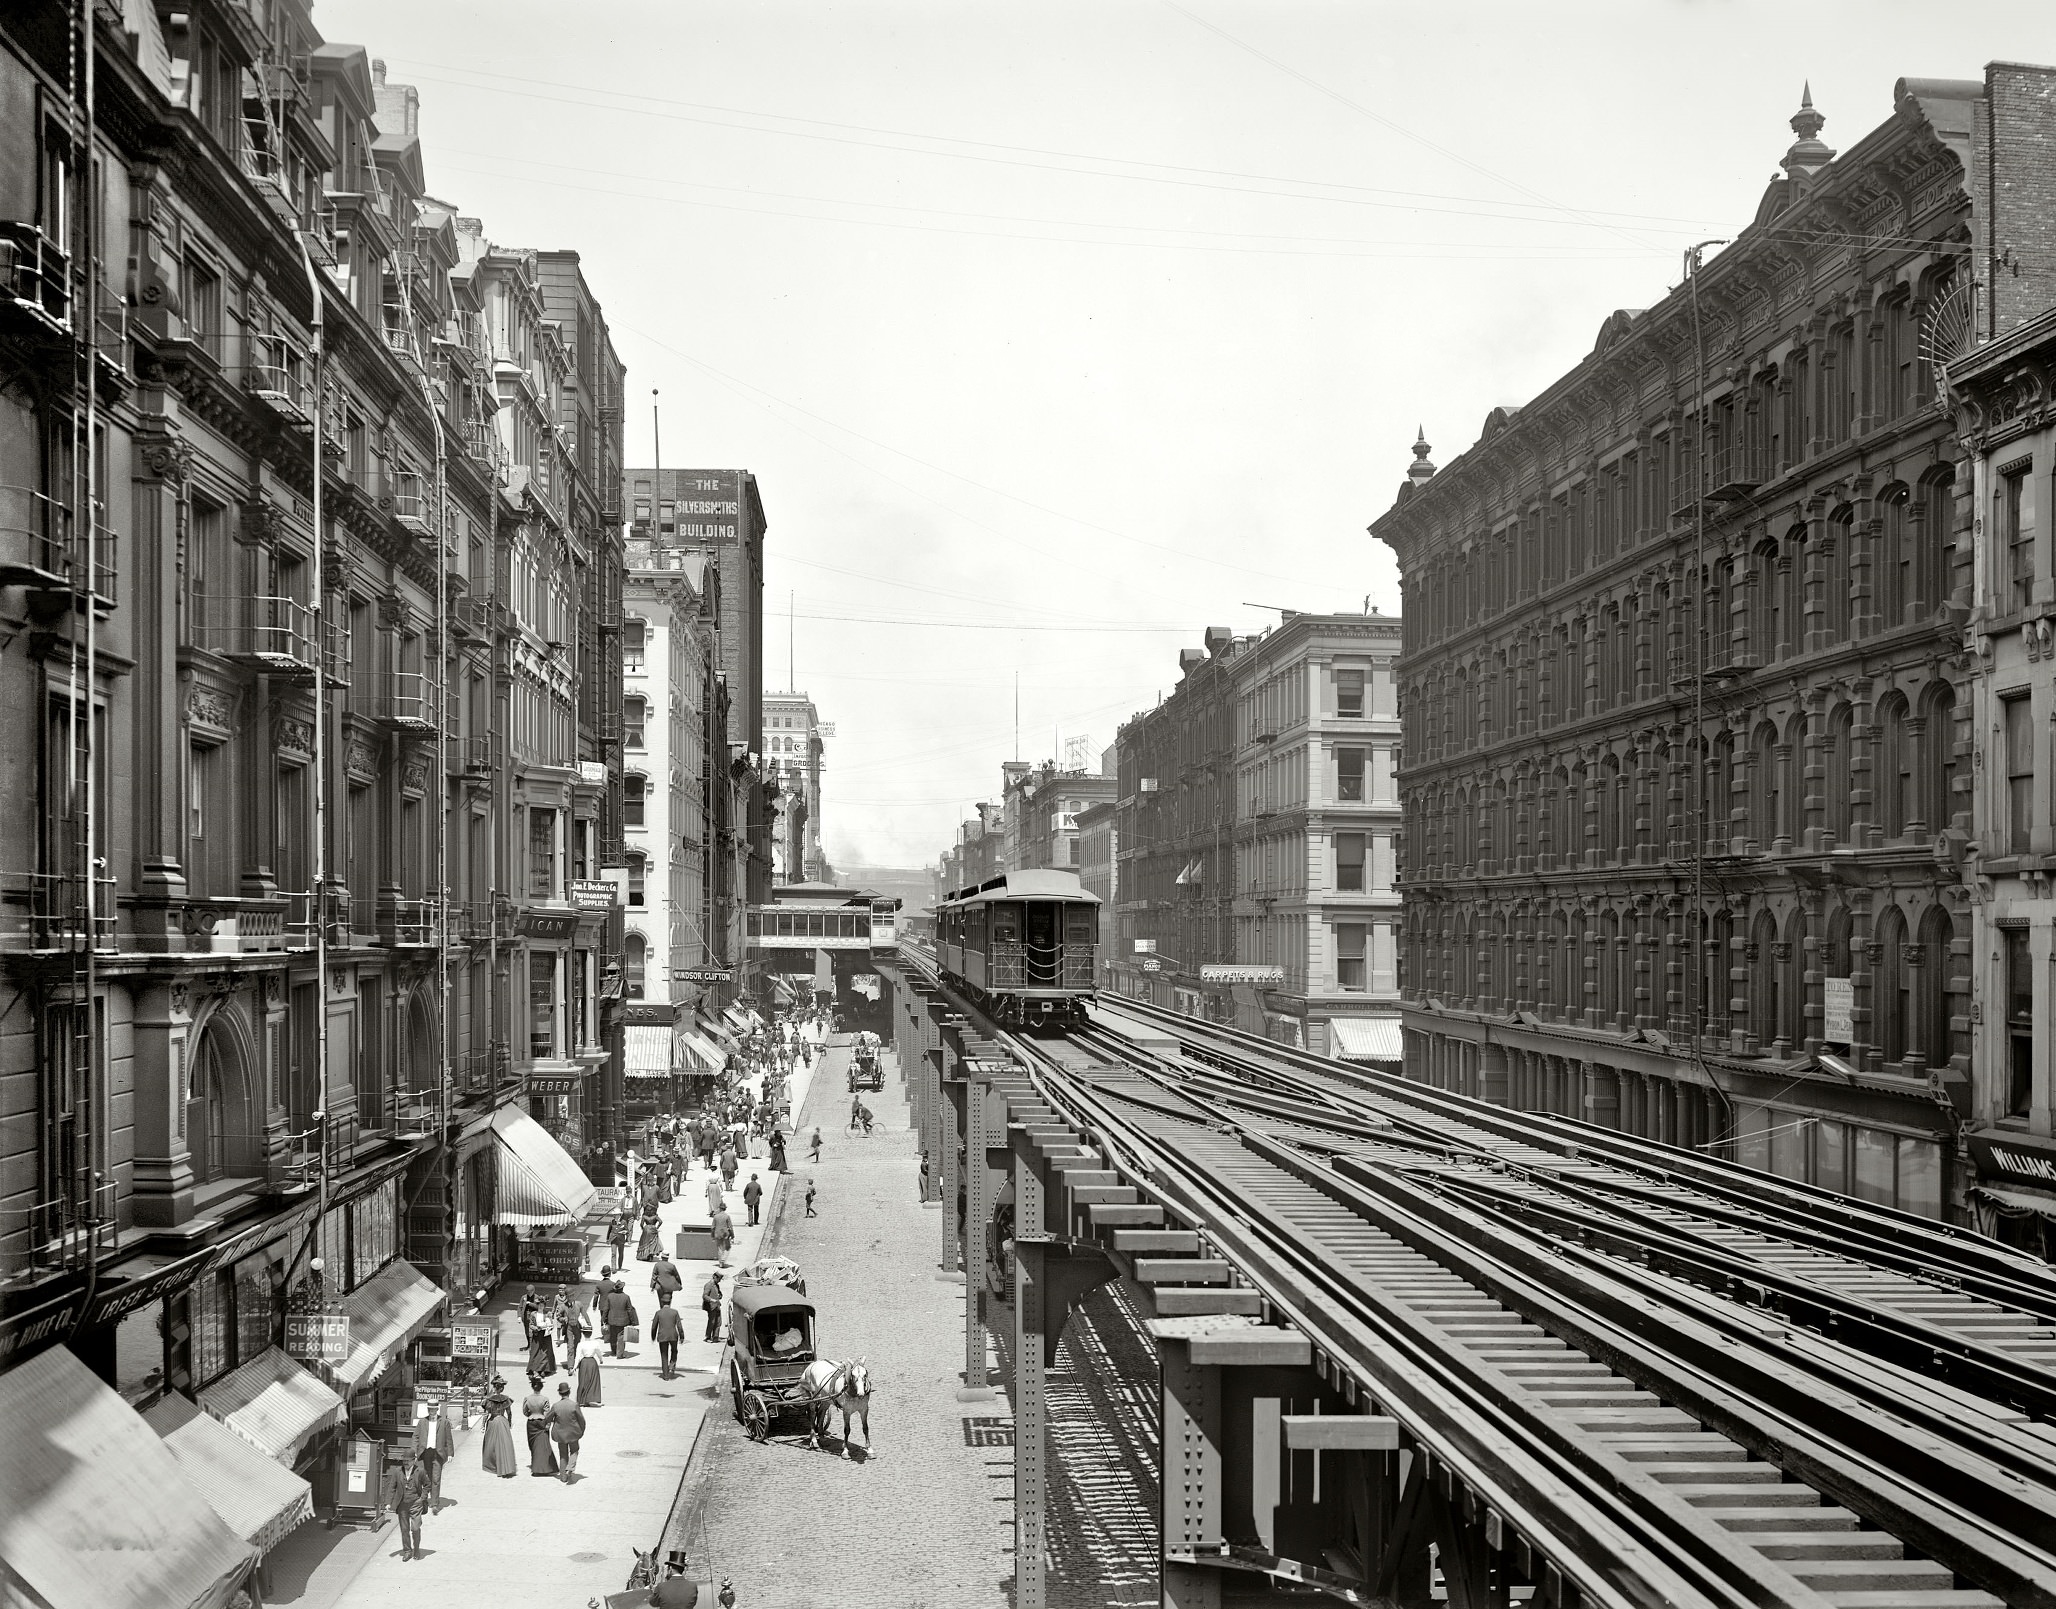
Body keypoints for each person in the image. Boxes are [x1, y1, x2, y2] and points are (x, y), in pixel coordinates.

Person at [393, 1449, 431, 1560]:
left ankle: (417, 1549)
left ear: (414, 1461)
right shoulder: (397, 1471)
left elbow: (428, 1485)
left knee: (415, 1528)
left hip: (416, 1504)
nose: (405, 1463)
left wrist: (422, 1498)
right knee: (404, 1529)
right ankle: (407, 1551)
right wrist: (387, 1503)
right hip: (402, 1505)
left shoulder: (420, 1471)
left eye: (408, 1461)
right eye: (404, 1461)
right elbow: (392, 1487)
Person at [546, 1379, 586, 1482]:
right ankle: (570, 1468)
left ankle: (563, 1477)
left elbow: (548, 1418)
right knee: (575, 1450)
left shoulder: (556, 1406)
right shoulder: (574, 1405)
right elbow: (581, 1419)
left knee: (563, 1454)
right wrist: (581, 1431)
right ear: (569, 1392)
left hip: (560, 1434)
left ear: (559, 1393)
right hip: (573, 1433)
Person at [481, 1374, 519, 1477]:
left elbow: (486, 1414)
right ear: (502, 1388)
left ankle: (494, 1466)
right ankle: (506, 1465)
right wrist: (509, 1423)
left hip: (493, 1421)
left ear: (494, 1387)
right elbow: (509, 1413)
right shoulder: (506, 1399)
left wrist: (483, 1425)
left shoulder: (489, 1399)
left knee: (491, 1445)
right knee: (504, 1444)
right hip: (502, 1421)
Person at [521, 1373, 558, 1477]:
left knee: (533, 1445)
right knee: (543, 1445)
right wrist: (548, 1424)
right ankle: (545, 1467)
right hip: (541, 1421)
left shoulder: (527, 1398)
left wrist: (531, 1414)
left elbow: (525, 1412)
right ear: (541, 1387)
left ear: (532, 1386)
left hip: (531, 1422)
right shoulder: (544, 1399)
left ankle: (536, 1467)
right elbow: (547, 1413)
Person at [421, 1401, 455, 1508]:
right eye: (430, 1409)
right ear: (428, 1410)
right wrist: (415, 1451)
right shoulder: (422, 1422)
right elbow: (416, 1437)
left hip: (438, 1453)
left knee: (436, 1478)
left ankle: (434, 1503)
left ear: (437, 1410)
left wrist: (450, 1453)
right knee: (427, 1477)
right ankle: (428, 1499)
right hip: (426, 1453)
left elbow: (449, 1439)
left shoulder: (444, 1422)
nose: (432, 1411)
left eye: (434, 1409)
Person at [598, 1270, 637, 1357]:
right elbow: (630, 1310)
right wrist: (633, 1321)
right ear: (622, 1288)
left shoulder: (610, 1296)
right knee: (621, 1337)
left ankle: (613, 1351)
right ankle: (620, 1354)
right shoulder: (626, 1297)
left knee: (612, 1336)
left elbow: (606, 1309)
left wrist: (603, 1319)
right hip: (623, 1321)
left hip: (611, 1320)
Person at [651, 1289, 687, 1379]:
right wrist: (682, 1337)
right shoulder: (675, 1312)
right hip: (673, 1336)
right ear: (670, 1302)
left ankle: (666, 1375)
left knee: (664, 1355)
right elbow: (679, 1326)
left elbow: (654, 1326)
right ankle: (672, 1364)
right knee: (674, 1351)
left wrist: (653, 1336)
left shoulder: (658, 1313)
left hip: (662, 1336)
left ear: (662, 1303)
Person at [524, 1289, 557, 1379]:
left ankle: (543, 1369)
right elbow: (530, 1325)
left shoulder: (548, 1314)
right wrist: (536, 1328)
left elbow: (551, 1325)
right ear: (537, 1305)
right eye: (539, 1305)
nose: (541, 1307)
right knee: (535, 1352)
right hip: (537, 1335)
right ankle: (534, 1369)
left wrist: (548, 1327)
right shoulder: (533, 1314)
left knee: (545, 1353)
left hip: (546, 1336)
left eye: (543, 1305)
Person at [577, 1337, 604, 1406]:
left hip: (583, 1363)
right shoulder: (595, 1343)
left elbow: (578, 1356)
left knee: (583, 1380)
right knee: (594, 1380)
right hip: (592, 1362)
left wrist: (574, 1367)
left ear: (583, 1334)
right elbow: (599, 1353)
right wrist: (601, 1360)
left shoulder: (581, 1344)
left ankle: (581, 1400)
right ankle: (592, 1399)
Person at [700, 1269, 725, 1343]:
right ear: (714, 1277)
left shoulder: (716, 1285)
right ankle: (708, 1337)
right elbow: (704, 1296)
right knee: (712, 1322)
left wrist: (720, 1295)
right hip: (711, 1307)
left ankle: (715, 1337)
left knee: (718, 1322)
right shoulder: (708, 1285)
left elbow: (720, 1294)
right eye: (719, 1279)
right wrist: (711, 1300)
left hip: (716, 1306)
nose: (719, 1281)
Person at [711, 1203, 735, 1267]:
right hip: (725, 1234)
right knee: (727, 1247)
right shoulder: (727, 1216)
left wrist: (712, 1236)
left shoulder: (716, 1216)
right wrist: (732, 1235)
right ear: (725, 1209)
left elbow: (713, 1227)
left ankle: (721, 1263)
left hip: (717, 1234)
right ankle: (723, 1259)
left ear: (720, 1208)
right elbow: (730, 1227)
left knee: (719, 1248)